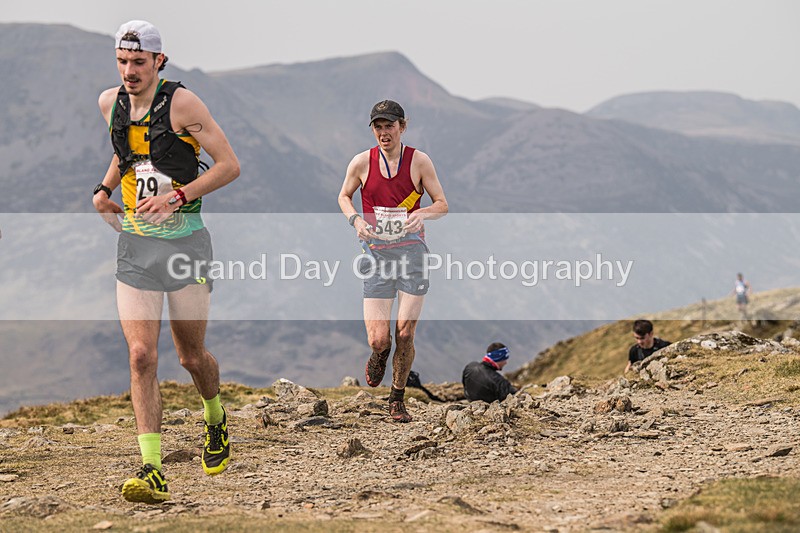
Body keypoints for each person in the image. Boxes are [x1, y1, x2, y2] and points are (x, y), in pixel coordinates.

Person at [93, 20, 240, 504]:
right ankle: (151, 468)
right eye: (122, 61)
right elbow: (128, 153)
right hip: (136, 244)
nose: (129, 71)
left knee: (190, 356)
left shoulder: (183, 103)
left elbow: (228, 166)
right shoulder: (109, 102)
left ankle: (215, 417)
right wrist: (104, 190)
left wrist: (179, 196)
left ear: (159, 61)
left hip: (186, 244)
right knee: (141, 355)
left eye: (139, 62)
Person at [338, 100, 448, 423]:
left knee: (405, 333)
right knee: (380, 338)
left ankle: (397, 398)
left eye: (389, 126)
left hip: (413, 253)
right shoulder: (361, 163)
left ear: (403, 126)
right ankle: (379, 354)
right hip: (377, 255)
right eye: (378, 127)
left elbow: (442, 204)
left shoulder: (419, 162)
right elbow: (343, 196)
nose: (383, 133)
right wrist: (356, 221)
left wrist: (422, 214)